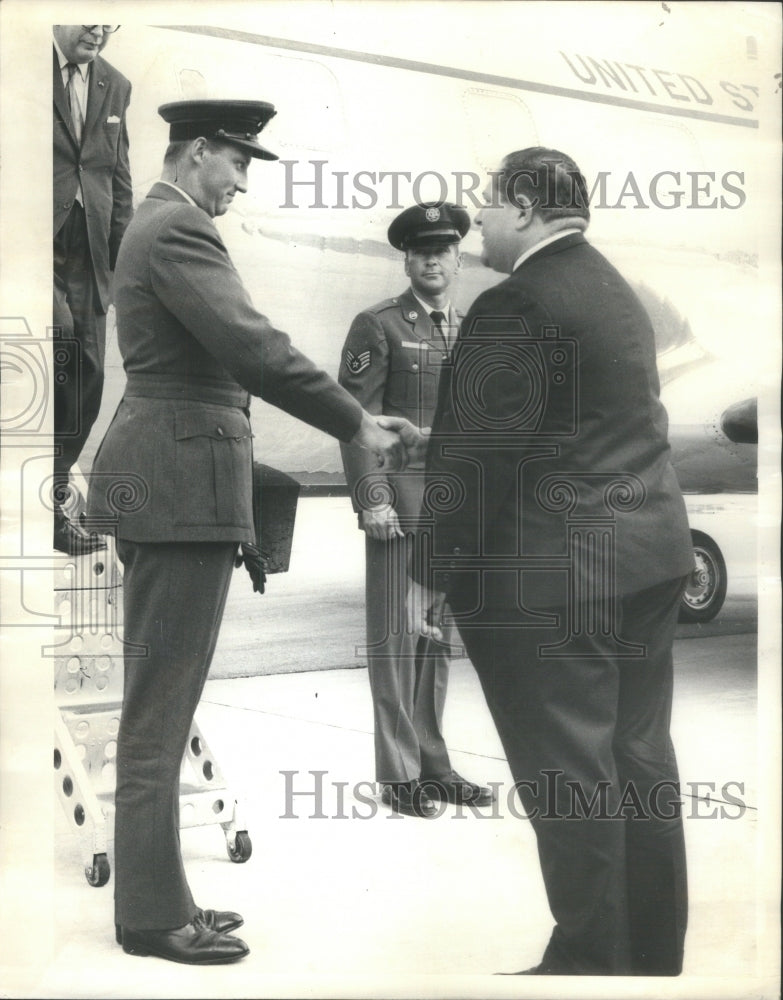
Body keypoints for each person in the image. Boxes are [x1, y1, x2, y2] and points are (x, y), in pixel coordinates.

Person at [86, 99, 418, 966]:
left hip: (175, 479)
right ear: (199, 152)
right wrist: (355, 420)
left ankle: (163, 899)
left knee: (164, 700)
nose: (242, 180)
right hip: (179, 484)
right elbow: (252, 347)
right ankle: (152, 920)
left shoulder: (162, 224)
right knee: (159, 709)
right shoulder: (178, 231)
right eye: (237, 162)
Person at [409, 148, 694, 975]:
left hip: (556, 585)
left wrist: (430, 579)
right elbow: (592, 425)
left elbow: (473, 461)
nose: (480, 223)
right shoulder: (617, 292)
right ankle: (649, 949)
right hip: (646, 562)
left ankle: (589, 960)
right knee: (639, 756)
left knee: (568, 775)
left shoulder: (514, 304)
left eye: (489, 205)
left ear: (526, 208)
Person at [339, 203, 494, 818]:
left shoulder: (466, 330)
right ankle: (399, 774)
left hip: (451, 511)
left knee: (437, 641)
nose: (433, 259)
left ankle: (434, 762)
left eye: (444, 249)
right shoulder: (377, 325)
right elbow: (355, 422)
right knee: (396, 637)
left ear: (459, 258)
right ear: (406, 259)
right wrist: (372, 498)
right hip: (399, 508)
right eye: (421, 250)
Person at [53, 25, 133, 554]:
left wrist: (127, 266)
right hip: (29, 242)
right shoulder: (14, 62)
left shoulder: (115, 84)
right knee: (52, 345)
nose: (100, 29)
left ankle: (54, 496)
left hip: (90, 251)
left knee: (90, 373)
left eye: (110, 20)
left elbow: (118, 177)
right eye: (89, 15)